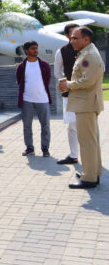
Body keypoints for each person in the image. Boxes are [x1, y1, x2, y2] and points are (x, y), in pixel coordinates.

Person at [57, 27, 104, 189]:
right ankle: (92, 172)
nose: (72, 41)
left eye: (75, 38)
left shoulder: (89, 55)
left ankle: (89, 178)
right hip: (86, 102)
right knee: (91, 141)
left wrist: (68, 84)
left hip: (86, 103)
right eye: (71, 38)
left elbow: (87, 81)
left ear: (86, 39)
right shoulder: (87, 52)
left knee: (86, 142)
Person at [16, 41, 52, 157]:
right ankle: (29, 148)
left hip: (43, 99)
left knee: (45, 125)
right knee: (27, 125)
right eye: (32, 49)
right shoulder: (21, 66)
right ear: (26, 51)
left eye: (36, 48)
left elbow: (48, 79)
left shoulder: (44, 64)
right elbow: (19, 81)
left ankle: (45, 148)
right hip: (27, 99)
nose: (35, 50)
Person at [54, 23, 80, 165]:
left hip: (86, 94)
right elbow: (57, 72)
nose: (77, 34)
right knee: (72, 125)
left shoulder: (88, 49)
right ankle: (74, 155)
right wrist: (65, 83)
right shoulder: (62, 51)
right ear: (67, 35)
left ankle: (91, 157)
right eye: (73, 32)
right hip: (69, 94)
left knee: (87, 127)